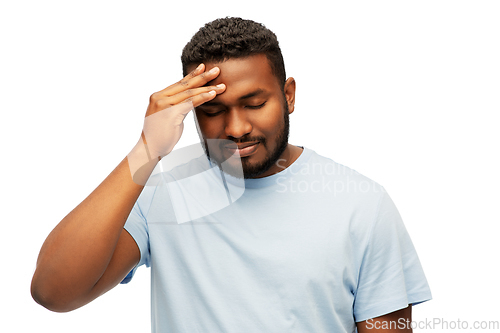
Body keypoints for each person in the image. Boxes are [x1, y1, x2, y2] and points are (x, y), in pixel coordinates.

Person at [31, 17, 431, 332]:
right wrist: (146, 150)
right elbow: (53, 292)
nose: (236, 128)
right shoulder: (162, 190)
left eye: (255, 103)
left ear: (288, 95)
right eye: (213, 111)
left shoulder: (361, 204)